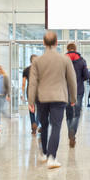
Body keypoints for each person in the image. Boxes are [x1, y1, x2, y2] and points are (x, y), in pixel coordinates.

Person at [28, 31, 77, 169]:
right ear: (56, 43)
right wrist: (73, 98)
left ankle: (44, 153)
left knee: (44, 125)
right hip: (58, 98)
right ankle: (51, 157)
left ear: (44, 43)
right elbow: (72, 80)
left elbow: (33, 83)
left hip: (41, 98)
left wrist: (31, 102)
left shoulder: (37, 61)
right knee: (56, 126)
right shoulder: (64, 59)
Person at [65, 43, 90, 148]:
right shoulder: (82, 61)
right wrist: (79, 80)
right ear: (75, 49)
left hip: (65, 91)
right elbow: (87, 76)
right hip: (78, 91)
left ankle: (70, 133)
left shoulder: (62, 60)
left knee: (68, 115)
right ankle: (73, 131)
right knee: (77, 114)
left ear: (67, 49)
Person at [22, 54, 38, 135]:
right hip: (39, 92)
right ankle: (37, 123)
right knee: (40, 109)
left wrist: (23, 95)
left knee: (31, 110)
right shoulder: (39, 69)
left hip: (29, 91)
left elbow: (23, 84)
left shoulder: (26, 70)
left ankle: (33, 127)